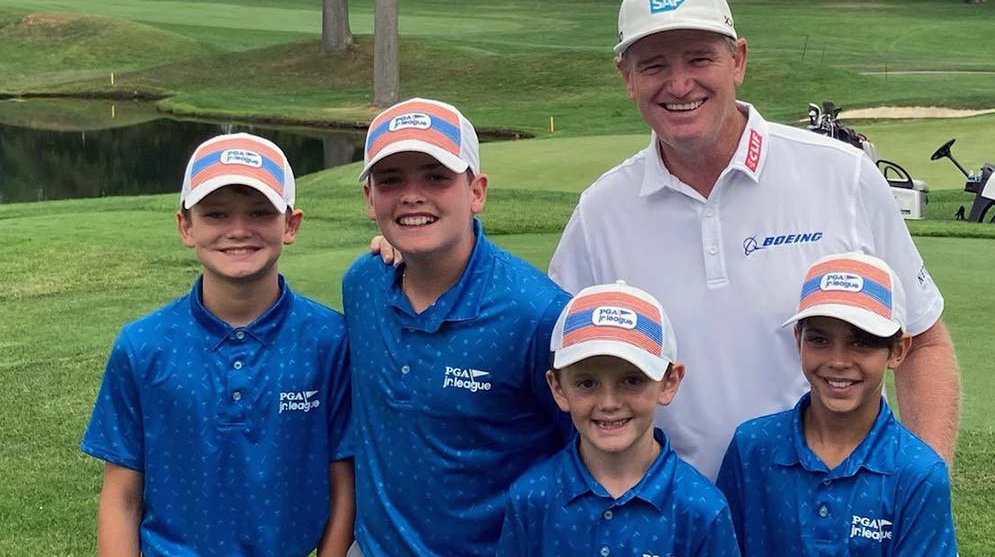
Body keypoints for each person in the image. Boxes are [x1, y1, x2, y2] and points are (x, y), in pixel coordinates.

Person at [548, 0, 959, 481]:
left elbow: (924, 341)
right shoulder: (600, 212)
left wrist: (925, 486)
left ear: (737, 59)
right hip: (674, 520)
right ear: (626, 77)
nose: (679, 84)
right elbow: (558, 371)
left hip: (824, 513)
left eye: (700, 58)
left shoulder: (842, 175)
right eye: (654, 65)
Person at [81, 133, 355, 557]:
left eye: (261, 212)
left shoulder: (331, 341)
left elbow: (342, 488)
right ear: (186, 226)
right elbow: (121, 498)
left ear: (291, 224)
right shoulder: (141, 346)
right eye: (216, 214)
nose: (239, 230)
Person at [343, 98, 571, 557]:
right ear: (370, 198)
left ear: (477, 191)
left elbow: (581, 456)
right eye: (390, 180)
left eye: (436, 176)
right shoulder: (362, 284)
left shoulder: (537, 314)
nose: (412, 195)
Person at [716, 252, 958, 556]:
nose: (838, 361)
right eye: (819, 340)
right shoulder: (751, 447)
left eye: (861, 342)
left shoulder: (918, 472)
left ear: (898, 350)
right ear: (798, 339)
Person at [496, 281, 741, 557]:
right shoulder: (531, 498)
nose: (609, 403)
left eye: (632, 380)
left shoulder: (701, 507)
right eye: (587, 383)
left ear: (669, 382)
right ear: (558, 388)